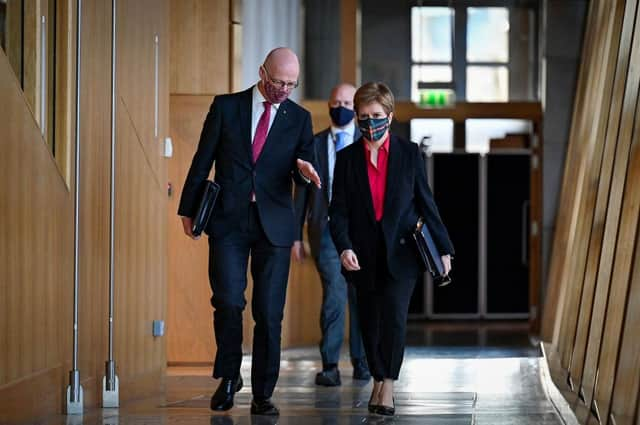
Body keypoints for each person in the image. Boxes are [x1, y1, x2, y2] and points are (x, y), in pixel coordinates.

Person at [178, 47, 321, 417]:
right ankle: (228, 377)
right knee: (227, 300)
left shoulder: (300, 118)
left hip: (274, 225)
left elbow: (306, 166)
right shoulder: (227, 107)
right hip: (228, 220)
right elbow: (202, 157)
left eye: (291, 84)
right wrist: (188, 208)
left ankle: (263, 392)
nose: (283, 90)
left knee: (269, 313)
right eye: (278, 82)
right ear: (262, 72)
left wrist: (305, 169)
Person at [329, 82, 454, 416]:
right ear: (356, 117)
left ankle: (389, 385)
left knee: (395, 319)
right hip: (362, 255)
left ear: (390, 115)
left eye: (377, 115)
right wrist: (343, 247)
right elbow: (337, 211)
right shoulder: (346, 160)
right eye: (364, 116)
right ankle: (377, 378)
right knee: (369, 321)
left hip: (402, 254)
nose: (371, 122)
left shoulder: (409, 154)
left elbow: (426, 203)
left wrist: (444, 249)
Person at [292, 83, 370, 386]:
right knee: (334, 297)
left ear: (356, 105)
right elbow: (301, 193)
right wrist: (296, 235)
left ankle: (362, 362)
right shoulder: (313, 144)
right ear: (328, 104)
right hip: (324, 232)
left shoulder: (366, 144)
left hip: (361, 233)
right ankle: (330, 365)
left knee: (360, 297)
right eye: (336, 101)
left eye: (348, 102)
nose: (342, 106)